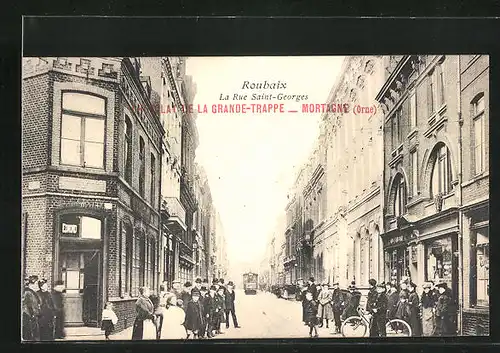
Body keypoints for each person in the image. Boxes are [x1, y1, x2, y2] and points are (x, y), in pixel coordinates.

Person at [22, 275, 41, 341]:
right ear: (31, 284)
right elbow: (28, 304)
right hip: (29, 314)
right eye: (35, 283)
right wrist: (32, 313)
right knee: (31, 331)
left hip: (33, 314)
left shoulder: (33, 292)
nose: (37, 286)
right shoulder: (28, 292)